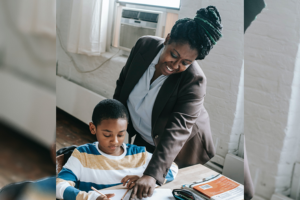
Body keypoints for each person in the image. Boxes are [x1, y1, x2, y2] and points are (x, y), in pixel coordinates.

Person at [113, 6, 222, 200]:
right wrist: (113, 130)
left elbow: (177, 129)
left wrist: (152, 174)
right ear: (168, 38)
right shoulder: (143, 46)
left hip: (178, 149)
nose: (176, 65)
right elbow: (122, 87)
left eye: (186, 62)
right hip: (145, 136)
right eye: (174, 55)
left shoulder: (194, 80)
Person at [56, 99, 178, 200]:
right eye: (107, 135)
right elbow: (58, 186)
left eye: (120, 134)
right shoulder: (82, 155)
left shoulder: (138, 154)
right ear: (93, 128)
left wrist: (148, 177)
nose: (115, 141)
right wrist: (90, 198)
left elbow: (172, 167)